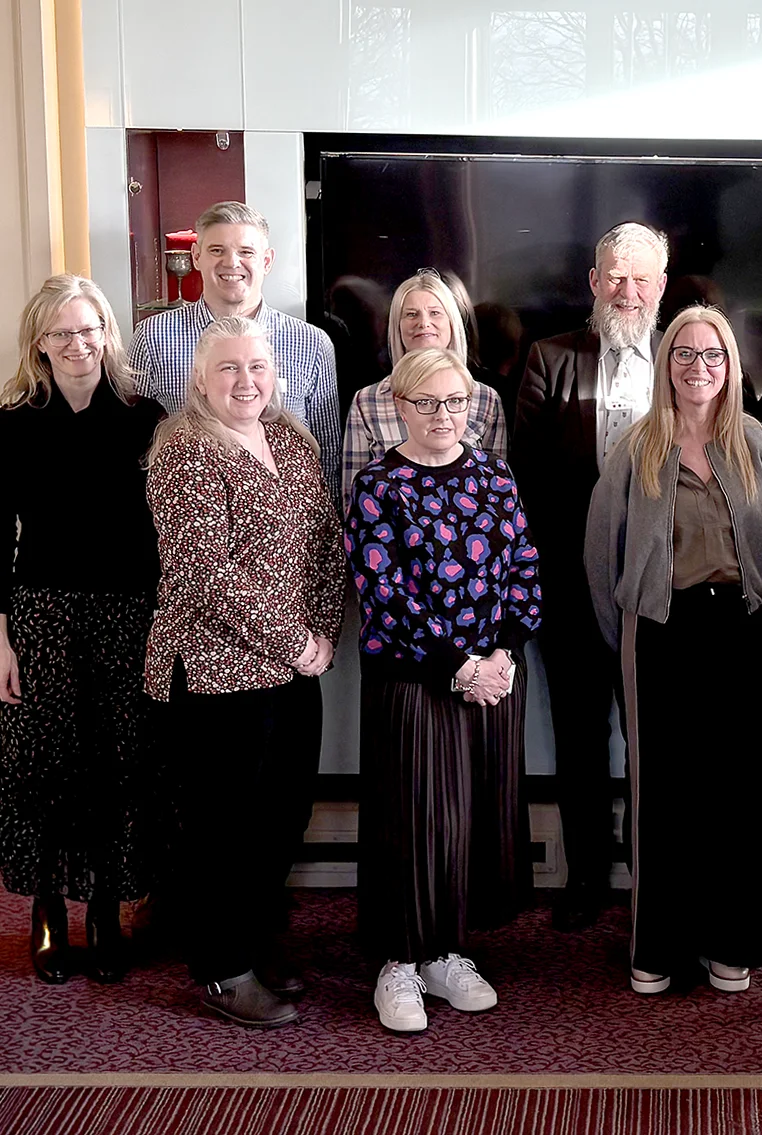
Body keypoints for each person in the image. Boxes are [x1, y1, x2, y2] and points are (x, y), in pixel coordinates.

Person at [144, 316, 345, 1028]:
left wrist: (322, 632)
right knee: (222, 828)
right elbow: (204, 571)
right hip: (213, 671)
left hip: (296, 666)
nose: (246, 381)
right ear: (199, 378)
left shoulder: (292, 439)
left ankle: (256, 940)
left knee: (279, 819)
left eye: (257, 367)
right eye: (228, 368)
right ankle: (223, 969)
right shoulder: (184, 452)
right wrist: (294, 641)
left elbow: (326, 538)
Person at [584, 305, 762, 995]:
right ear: (666, 365)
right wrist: (631, 641)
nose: (700, 367)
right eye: (685, 354)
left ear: (731, 366)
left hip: (742, 632)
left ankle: (729, 941)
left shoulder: (754, 444)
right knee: (662, 792)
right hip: (661, 633)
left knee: (735, 790)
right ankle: (657, 946)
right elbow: (601, 559)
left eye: (713, 355)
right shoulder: (635, 447)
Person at [345, 347, 542, 1034]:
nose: (442, 415)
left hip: (490, 681)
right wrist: (459, 665)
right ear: (397, 405)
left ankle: (446, 953)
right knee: (414, 822)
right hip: (413, 679)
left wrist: (504, 655)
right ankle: (398, 962)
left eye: (454, 401)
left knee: (465, 827)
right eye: (425, 402)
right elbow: (386, 595)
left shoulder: (493, 474)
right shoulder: (377, 483)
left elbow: (522, 565)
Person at [0, 275, 165, 984]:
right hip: (38, 611)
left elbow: (162, 533)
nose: (78, 343)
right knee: (43, 763)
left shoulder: (142, 415)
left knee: (117, 761)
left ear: (107, 332)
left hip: (126, 610)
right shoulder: (11, 422)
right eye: (62, 332)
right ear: (39, 343)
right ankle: (46, 912)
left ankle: (103, 908)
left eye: (89, 327)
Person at [510, 222, 669, 931]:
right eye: (614, 276)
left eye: (641, 278)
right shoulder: (550, 358)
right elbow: (525, 477)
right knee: (578, 735)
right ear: (593, 283)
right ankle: (586, 877)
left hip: (665, 585)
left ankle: (655, 874)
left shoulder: (691, 355)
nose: (627, 290)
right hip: (571, 584)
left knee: (656, 736)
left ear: (660, 286)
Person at [130, 200, 343, 497]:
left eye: (246, 252)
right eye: (217, 250)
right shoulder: (153, 337)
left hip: (285, 527)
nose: (231, 263)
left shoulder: (312, 343)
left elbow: (328, 453)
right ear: (196, 256)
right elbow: (135, 446)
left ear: (267, 261)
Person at [340, 270, 509, 511]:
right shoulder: (367, 402)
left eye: (435, 313)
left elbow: (498, 493)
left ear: (451, 323)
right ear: (397, 326)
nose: (423, 323)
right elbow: (352, 500)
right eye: (411, 314)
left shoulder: (486, 400)